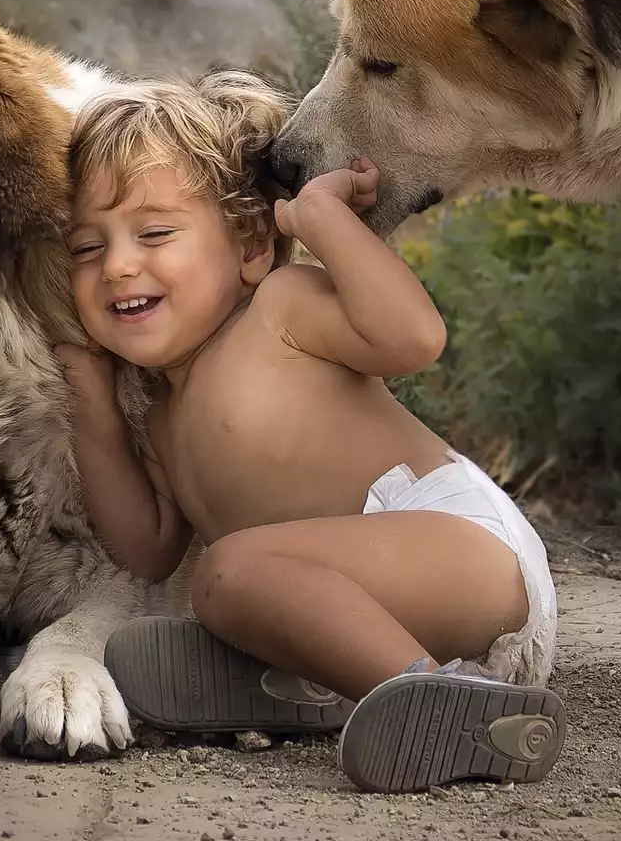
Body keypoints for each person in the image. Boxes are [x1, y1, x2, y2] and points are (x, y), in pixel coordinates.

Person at [56, 69, 564, 793]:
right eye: (85, 249)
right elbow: (148, 547)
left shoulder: (282, 311)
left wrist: (326, 225)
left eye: (155, 232)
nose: (118, 266)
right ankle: (325, 688)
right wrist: (98, 418)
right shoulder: (161, 417)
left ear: (253, 244)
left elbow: (414, 338)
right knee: (227, 581)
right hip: (384, 597)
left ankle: (434, 700)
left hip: (462, 547)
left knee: (231, 575)